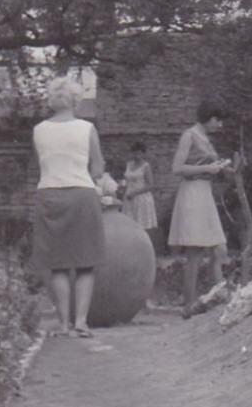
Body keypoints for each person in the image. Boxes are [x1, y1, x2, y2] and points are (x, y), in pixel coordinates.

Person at [30, 76, 105, 338]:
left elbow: (42, 163)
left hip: (49, 195)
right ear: (76, 100)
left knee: (58, 264)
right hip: (81, 194)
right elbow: (97, 168)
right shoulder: (86, 128)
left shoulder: (39, 130)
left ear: (52, 100)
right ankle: (81, 322)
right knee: (85, 263)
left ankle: (63, 323)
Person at [168, 102, 233, 317]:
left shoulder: (206, 139)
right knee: (195, 251)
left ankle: (222, 300)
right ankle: (189, 305)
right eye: (217, 119)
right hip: (192, 194)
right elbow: (177, 168)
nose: (220, 124)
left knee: (219, 248)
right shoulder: (189, 135)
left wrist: (222, 169)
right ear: (207, 117)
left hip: (205, 193)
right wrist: (208, 168)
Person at [121, 141, 158, 232]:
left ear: (143, 154)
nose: (137, 155)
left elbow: (150, 185)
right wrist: (123, 194)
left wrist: (135, 193)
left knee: (141, 225)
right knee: (129, 224)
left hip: (141, 197)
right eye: (135, 153)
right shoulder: (129, 164)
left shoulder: (146, 166)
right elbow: (126, 180)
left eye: (139, 153)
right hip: (129, 197)